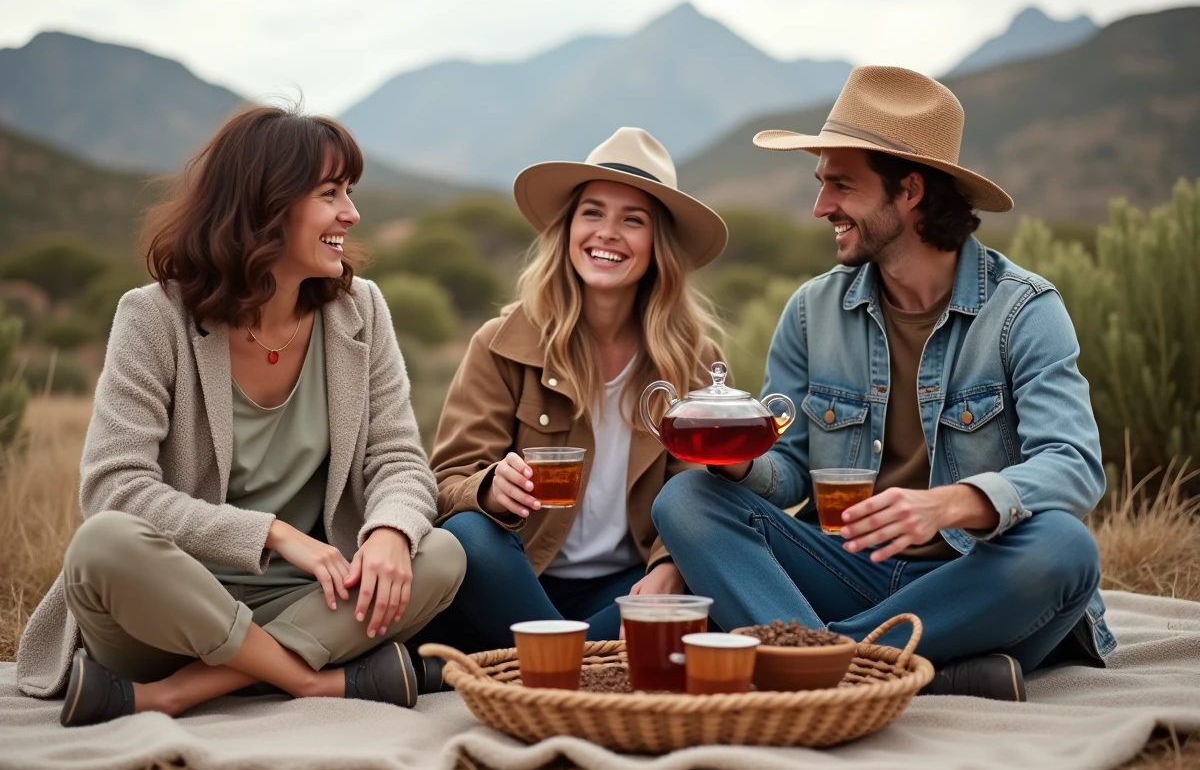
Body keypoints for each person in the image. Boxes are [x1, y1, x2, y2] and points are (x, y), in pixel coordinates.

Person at [651, 67, 1116, 701]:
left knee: (1065, 547)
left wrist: (951, 504)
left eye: (841, 185)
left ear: (911, 191)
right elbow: (786, 470)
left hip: (970, 581)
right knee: (686, 500)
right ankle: (924, 673)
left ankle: (813, 663)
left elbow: (1074, 465)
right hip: (842, 568)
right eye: (821, 184)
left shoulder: (1023, 310)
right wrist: (735, 465)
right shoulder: (812, 312)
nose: (821, 208)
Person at [15, 105, 466, 726]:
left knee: (440, 552)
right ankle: (312, 683)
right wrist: (272, 534)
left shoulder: (361, 311)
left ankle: (177, 695)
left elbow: (399, 459)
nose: (352, 214)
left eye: (350, 192)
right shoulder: (153, 318)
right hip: (171, 608)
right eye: (330, 194)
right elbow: (113, 490)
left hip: (309, 603)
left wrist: (389, 531)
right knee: (102, 543)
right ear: (266, 205)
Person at [423, 127, 728, 650]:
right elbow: (447, 482)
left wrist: (672, 567)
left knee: (716, 595)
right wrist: (491, 488)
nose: (607, 233)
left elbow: (702, 495)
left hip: (623, 589)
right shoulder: (500, 344)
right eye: (592, 213)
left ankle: (544, 659)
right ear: (568, 230)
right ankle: (584, 662)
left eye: (633, 220)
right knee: (470, 537)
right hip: (518, 575)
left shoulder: (695, 362)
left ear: (660, 246)